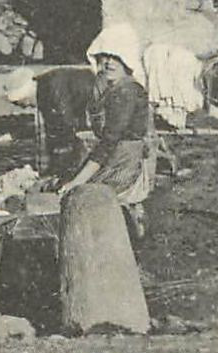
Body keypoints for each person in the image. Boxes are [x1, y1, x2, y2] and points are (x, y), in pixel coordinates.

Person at [59, 23, 155, 235]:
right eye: (105, 56)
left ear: (127, 60)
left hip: (124, 161)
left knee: (81, 195)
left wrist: (77, 181)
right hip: (119, 155)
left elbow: (109, 142)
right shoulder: (113, 88)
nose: (109, 62)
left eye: (117, 57)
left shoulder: (126, 91)